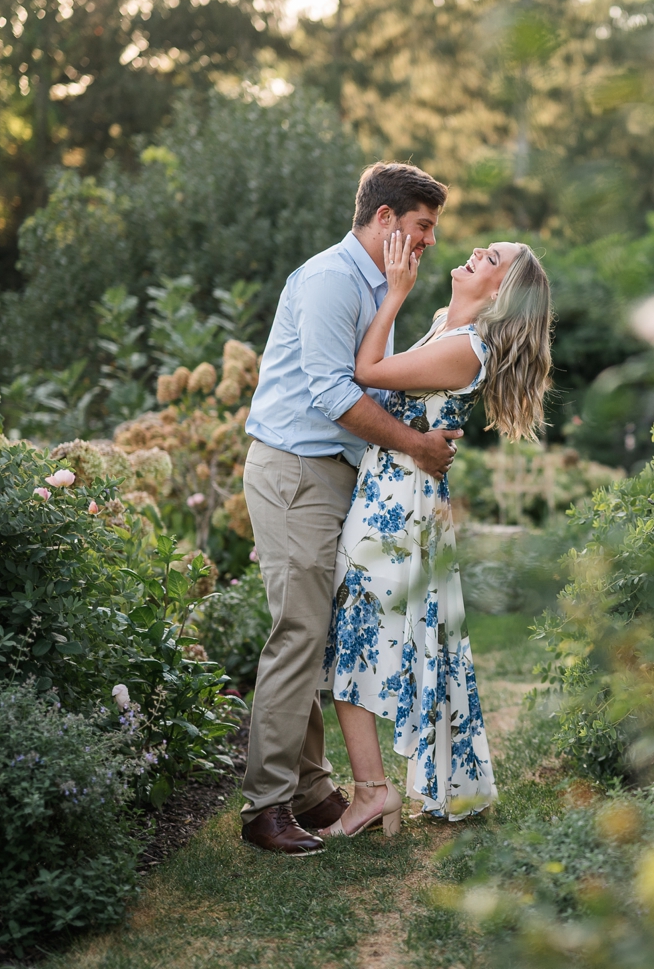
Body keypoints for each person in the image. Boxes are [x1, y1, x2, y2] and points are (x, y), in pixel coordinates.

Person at [239, 163, 462, 856]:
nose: (428, 241)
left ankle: (309, 788)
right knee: (297, 634)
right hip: (295, 473)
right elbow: (336, 396)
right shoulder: (333, 279)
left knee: (317, 636)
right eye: (422, 226)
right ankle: (265, 806)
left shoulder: (380, 287)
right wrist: (419, 447)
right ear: (387, 219)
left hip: (334, 477)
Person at [316, 230, 552, 837]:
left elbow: (365, 372)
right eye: (484, 249)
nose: (477, 254)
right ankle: (381, 790)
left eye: (491, 259)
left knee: (355, 636)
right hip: (393, 492)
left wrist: (394, 292)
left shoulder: (467, 348)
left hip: (401, 504)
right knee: (363, 636)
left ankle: (373, 794)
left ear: (502, 292)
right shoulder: (449, 325)